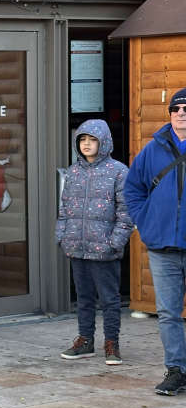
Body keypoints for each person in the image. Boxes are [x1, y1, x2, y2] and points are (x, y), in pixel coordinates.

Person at [55, 119, 132, 365]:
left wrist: (115, 242)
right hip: (77, 246)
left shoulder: (118, 172)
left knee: (109, 299)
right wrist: (63, 236)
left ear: (104, 142)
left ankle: (112, 344)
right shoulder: (73, 172)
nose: (87, 144)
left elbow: (126, 211)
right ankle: (85, 340)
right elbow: (64, 208)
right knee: (84, 297)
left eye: (92, 140)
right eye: (82, 140)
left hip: (105, 249)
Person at [126, 87, 186, 395]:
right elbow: (133, 189)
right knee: (168, 313)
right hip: (162, 246)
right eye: (176, 109)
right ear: (170, 114)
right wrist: (143, 221)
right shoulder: (153, 149)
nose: (181, 113)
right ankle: (176, 370)